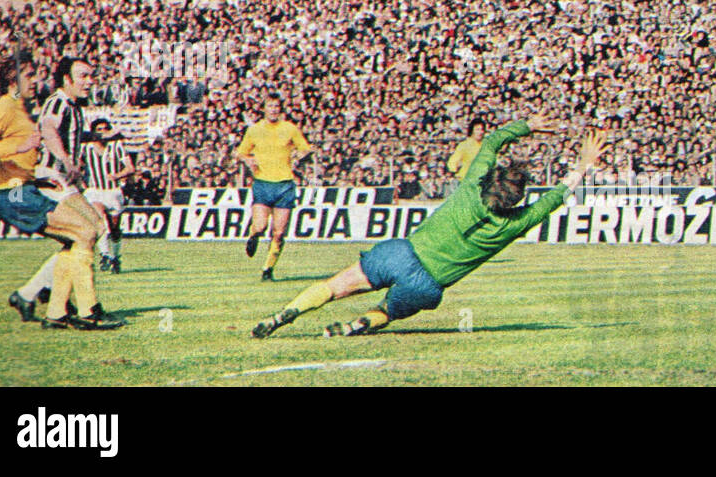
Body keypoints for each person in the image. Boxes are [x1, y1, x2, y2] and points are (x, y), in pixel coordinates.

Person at [250, 117, 608, 339]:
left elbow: (495, 139)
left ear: (490, 179)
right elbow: (556, 197)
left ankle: (288, 313)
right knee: (388, 312)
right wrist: (584, 165)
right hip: (428, 284)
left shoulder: (470, 187)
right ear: (515, 200)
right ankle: (359, 324)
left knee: (332, 287)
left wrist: (527, 126)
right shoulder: (514, 223)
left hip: (400, 253)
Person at [0, 52, 123, 330]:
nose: (36, 80)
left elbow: (52, 132)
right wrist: (36, 152)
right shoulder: (16, 106)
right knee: (87, 232)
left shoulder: (37, 107)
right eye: (29, 75)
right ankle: (85, 310)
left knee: (84, 235)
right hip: (30, 186)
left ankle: (48, 306)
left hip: (43, 183)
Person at [235, 95, 313, 281]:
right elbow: (240, 152)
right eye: (270, 106)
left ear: (280, 109)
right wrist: (248, 160)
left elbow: (306, 148)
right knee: (261, 226)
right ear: (264, 109)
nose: (273, 109)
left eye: (277, 106)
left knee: (278, 233)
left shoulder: (289, 129)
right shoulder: (254, 130)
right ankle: (253, 235)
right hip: (263, 183)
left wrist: (299, 156)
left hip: (285, 184)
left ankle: (268, 269)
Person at [79, 118, 135, 273]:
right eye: (99, 129)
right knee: (99, 219)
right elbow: (77, 166)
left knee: (114, 229)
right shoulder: (86, 148)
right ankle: (104, 254)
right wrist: (79, 180)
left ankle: (115, 257)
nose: (102, 132)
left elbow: (130, 168)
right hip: (95, 191)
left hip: (113, 192)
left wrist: (118, 175)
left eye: (105, 128)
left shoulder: (116, 146)